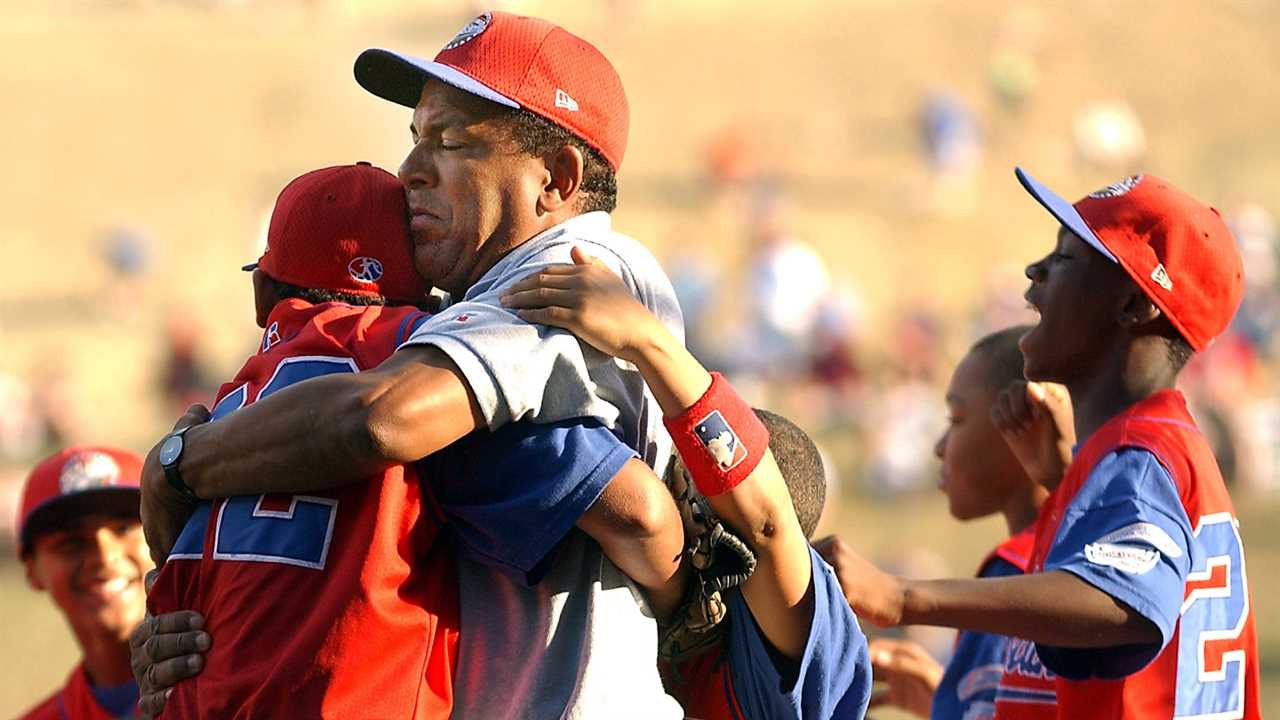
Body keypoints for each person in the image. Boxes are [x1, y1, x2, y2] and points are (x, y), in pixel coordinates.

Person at [138, 11, 688, 718]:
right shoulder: (454, 311)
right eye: (415, 139)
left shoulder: (576, 269)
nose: (411, 172)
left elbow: (380, 419)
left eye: (452, 140)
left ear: (556, 178)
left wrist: (180, 463)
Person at [823, 169, 1262, 720]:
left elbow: (1122, 602)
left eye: (1066, 258)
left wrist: (902, 596)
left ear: (1134, 305)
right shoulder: (1153, 445)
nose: (1034, 271)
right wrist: (1064, 484)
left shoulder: (1141, 454)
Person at [502, 248, 873, 718]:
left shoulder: (804, 657)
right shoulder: (685, 617)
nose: (677, 504)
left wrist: (646, 340)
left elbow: (764, 524)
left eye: (695, 501)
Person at [816, 325, 1057, 719]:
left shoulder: (1016, 575)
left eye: (957, 418)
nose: (941, 446)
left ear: (1026, 424)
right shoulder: (1066, 561)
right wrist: (943, 699)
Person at [17, 446, 152, 720]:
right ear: (32, 570)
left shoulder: (235, 679)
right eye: (72, 542)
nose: (105, 556)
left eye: (123, 529)